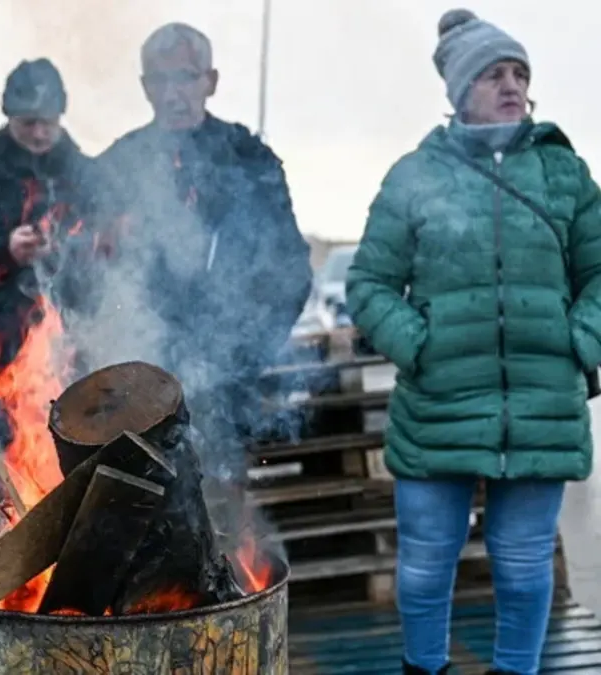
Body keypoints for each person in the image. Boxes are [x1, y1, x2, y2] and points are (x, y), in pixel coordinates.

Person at [346, 9, 601, 675]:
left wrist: (579, 342)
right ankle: (424, 669)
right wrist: (419, 346)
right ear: (460, 91)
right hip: (439, 403)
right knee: (425, 567)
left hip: (541, 405)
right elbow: (370, 282)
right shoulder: (412, 176)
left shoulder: (564, 172)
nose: (513, 84)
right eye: (494, 73)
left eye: (520, 73)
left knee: (521, 568)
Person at [95, 23, 311, 465]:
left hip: (226, 378)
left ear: (210, 81)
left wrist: (247, 354)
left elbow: (290, 270)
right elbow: (84, 269)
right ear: (145, 87)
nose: (173, 93)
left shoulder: (249, 158)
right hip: (140, 379)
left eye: (187, 77)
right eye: (160, 79)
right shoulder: (118, 165)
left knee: (217, 505)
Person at [0, 58, 107, 498]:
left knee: (75, 486)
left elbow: (118, 253)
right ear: (8, 116)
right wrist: (2, 249)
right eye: (28, 122)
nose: (38, 134)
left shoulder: (89, 178)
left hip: (75, 362)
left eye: (47, 123)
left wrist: (73, 249)